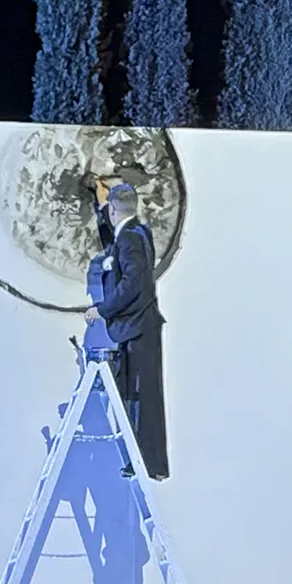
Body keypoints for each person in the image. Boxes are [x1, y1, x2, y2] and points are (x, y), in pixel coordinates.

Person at [84, 180, 169, 481]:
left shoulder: (130, 239)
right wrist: (99, 204)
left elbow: (133, 284)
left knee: (141, 399)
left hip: (137, 328)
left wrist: (103, 308)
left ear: (113, 211)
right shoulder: (137, 232)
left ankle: (147, 464)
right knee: (138, 397)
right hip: (139, 328)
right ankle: (146, 462)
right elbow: (114, 241)